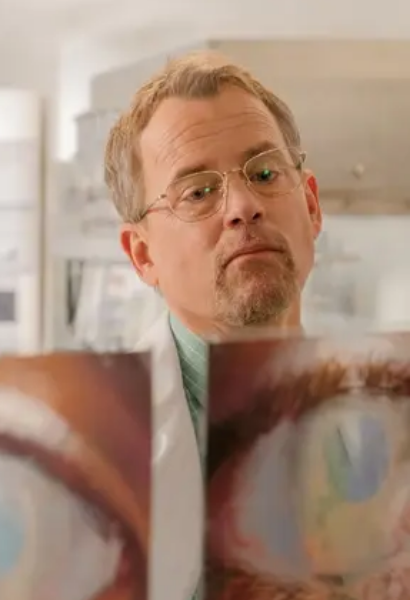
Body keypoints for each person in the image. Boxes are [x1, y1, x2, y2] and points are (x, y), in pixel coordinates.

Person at [103, 51, 322, 599]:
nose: (243, 205)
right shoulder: (95, 462)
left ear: (312, 205)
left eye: (265, 173)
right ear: (142, 255)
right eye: (198, 192)